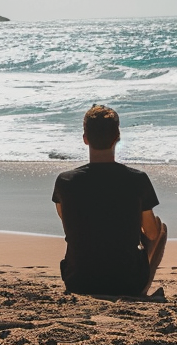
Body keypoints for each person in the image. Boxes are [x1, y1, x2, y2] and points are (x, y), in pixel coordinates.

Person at [52, 104, 167, 297]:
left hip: (78, 281)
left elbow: (70, 224)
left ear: (85, 139)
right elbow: (152, 233)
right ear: (117, 137)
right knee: (160, 229)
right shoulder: (137, 179)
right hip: (126, 284)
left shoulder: (65, 181)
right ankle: (141, 289)